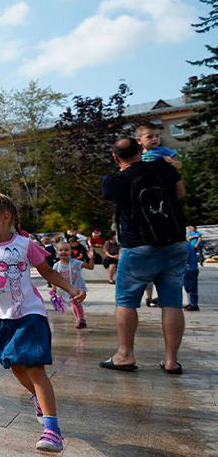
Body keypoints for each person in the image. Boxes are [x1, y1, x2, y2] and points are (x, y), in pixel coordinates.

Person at [0, 193, 85, 453]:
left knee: (35, 370)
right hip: (2, 317)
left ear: (5, 218)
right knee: (15, 366)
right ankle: (38, 397)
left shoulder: (25, 244)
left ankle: (52, 429)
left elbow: (47, 271)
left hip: (30, 314)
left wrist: (71, 289)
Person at [100, 137, 187, 374]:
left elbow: (111, 197)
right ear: (142, 149)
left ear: (115, 157)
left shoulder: (114, 181)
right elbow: (181, 192)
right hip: (175, 243)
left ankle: (125, 355)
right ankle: (171, 361)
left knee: (127, 301)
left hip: (138, 247)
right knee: (172, 302)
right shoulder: (162, 167)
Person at [54, 241, 93, 329]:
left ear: (71, 252)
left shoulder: (76, 263)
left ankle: (80, 319)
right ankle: (79, 319)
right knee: (73, 304)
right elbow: (54, 279)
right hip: (66, 289)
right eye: (60, 250)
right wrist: (54, 290)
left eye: (66, 250)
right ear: (57, 252)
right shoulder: (56, 266)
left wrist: (91, 258)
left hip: (78, 288)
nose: (63, 252)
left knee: (75, 302)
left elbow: (91, 267)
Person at [184, 231, 200, 312]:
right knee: (190, 287)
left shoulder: (185, 245)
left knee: (190, 287)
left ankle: (194, 304)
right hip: (192, 268)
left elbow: (186, 257)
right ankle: (192, 303)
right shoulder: (188, 244)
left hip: (189, 268)